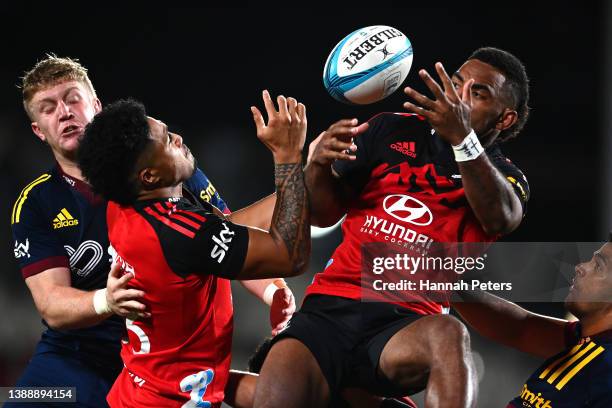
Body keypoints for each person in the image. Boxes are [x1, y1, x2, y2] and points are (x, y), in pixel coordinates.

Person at [253, 47, 531, 408]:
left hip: (405, 324)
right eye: (457, 84)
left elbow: (501, 218)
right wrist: (318, 167)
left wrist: (464, 139)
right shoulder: (390, 128)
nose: (458, 99)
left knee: (449, 335)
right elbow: (323, 215)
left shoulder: (505, 176)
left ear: (505, 119)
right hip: (329, 308)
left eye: (477, 94)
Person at [9, 56, 295, 407]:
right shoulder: (37, 202)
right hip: (79, 356)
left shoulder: (167, 167)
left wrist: (271, 291)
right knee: (20, 402)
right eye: (48, 108)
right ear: (38, 129)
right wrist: (107, 301)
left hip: (159, 350)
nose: (64, 112)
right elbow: (51, 303)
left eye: (72, 98)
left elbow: (224, 235)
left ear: (96, 105)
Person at [76, 94, 310, 407]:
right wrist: (288, 157)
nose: (179, 138)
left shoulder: (125, 205)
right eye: (168, 140)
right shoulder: (179, 232)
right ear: (149, 176)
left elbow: (226, 228)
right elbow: (289, 256)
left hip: (142, 389)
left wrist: (305, 180)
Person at [452, 241, 612, 407]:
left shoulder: (607, 372)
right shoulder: (583, 338)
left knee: (446, 332)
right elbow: (519, 328)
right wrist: (447, 286)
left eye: (598, 266)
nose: (580, 267)